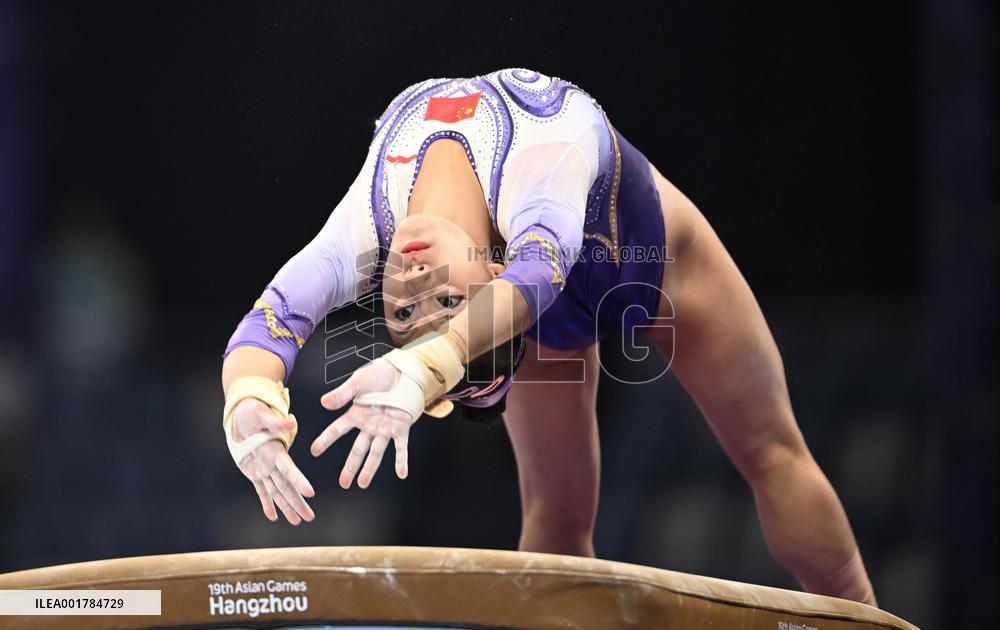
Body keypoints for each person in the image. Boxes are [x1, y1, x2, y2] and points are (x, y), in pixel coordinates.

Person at [220, 68, 877, 606]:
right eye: (444, 301)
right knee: (557, 521)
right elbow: (537, 271)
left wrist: (246, 404)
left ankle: (858, 609)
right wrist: (253, 407)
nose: (413, 280)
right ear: (491, 273)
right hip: (594, 275)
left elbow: (267, 324)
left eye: (402, 313)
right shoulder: (535, 177)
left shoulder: (365, 232)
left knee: (772, 453)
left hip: (635, 258)